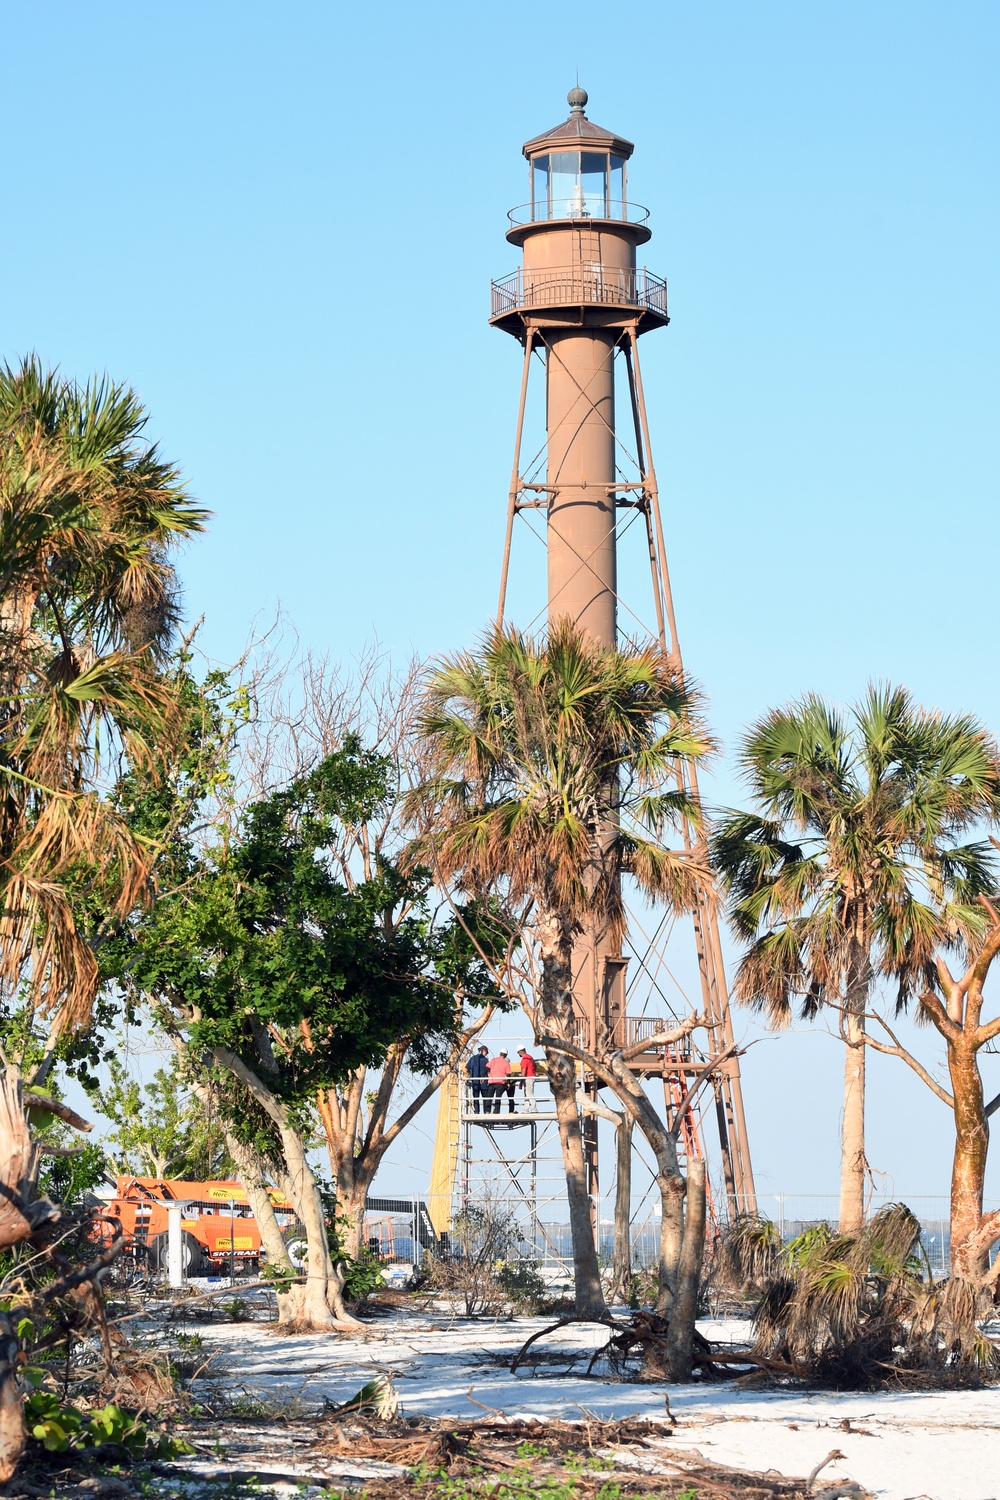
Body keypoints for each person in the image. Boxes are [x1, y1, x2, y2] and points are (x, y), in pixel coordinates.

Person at [487, 1049, 513, 1114]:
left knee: (489, 1097)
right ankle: (496, 1111)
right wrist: (508, 1083)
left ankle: (487, 1111)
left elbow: (487, 1068)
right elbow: (508, 1074)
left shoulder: (494, 1060)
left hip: (492, 1082)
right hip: (500, 1083)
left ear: (500, 1053)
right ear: (506, 1055)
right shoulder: (506, 1063)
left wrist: (483, 1077)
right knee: (498, 1097)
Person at [466, 1044, 489, 1113]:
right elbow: (488, 1070)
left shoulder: (472, 1058)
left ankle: (477, 1111)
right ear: (483, 1051)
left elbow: (466, 1068)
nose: (486, 1054)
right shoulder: (485, 1060)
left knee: (476, 1097)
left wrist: (469, 1075)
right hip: (483, 1082)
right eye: (486, 1052)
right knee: (485, 1097)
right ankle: (486, 1111)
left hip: (474, 1081)